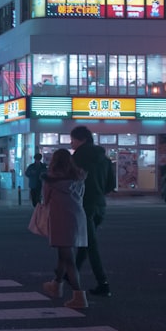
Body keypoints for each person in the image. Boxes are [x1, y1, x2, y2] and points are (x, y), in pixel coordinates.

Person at [40, 148, 90, 309]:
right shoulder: (79, 178)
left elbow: (45, 200)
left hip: (60, 217)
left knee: (68, 258)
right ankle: (56, 285)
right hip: (77, 217)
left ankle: (79, 295)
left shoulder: (51, 180)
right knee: (64, 253)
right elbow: (82, 196)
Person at [70, 125, 111, 297]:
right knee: (86, 242)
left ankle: (103, 283)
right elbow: (111, 185)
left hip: (84, 204)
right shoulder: (105, 159)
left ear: (82, 140)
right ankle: (71, 273)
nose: (72, 143)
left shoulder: (78, 157)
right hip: (100, 205)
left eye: (73, 140)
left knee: (91, 245)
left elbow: (71, 181)